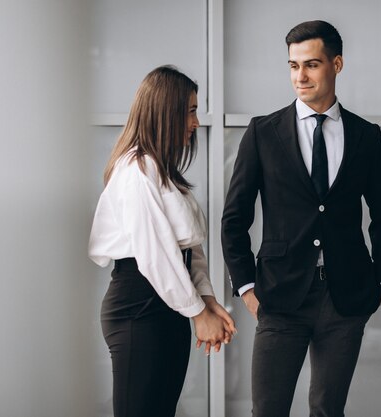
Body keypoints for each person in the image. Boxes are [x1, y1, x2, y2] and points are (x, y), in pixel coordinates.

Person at [221, 20, 381, 417]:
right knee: (268, 410)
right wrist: (248, 287)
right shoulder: (262, 133)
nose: (299, 76)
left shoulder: (365, 136)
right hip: (280, 296)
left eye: (311, 65)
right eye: (292, 65)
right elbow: (234, 219)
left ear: (336, 64)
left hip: (347, 297)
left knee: (327, 409)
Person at [88, 65, 236, 417]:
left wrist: (207, 300)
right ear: (165, 112)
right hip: (138, 308)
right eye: (190, 111)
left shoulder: (164, 172)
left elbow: (189, 248)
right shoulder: (137, 171)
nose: (196, 122)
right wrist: (198, 313)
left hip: (168, 306)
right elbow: (155, 256)